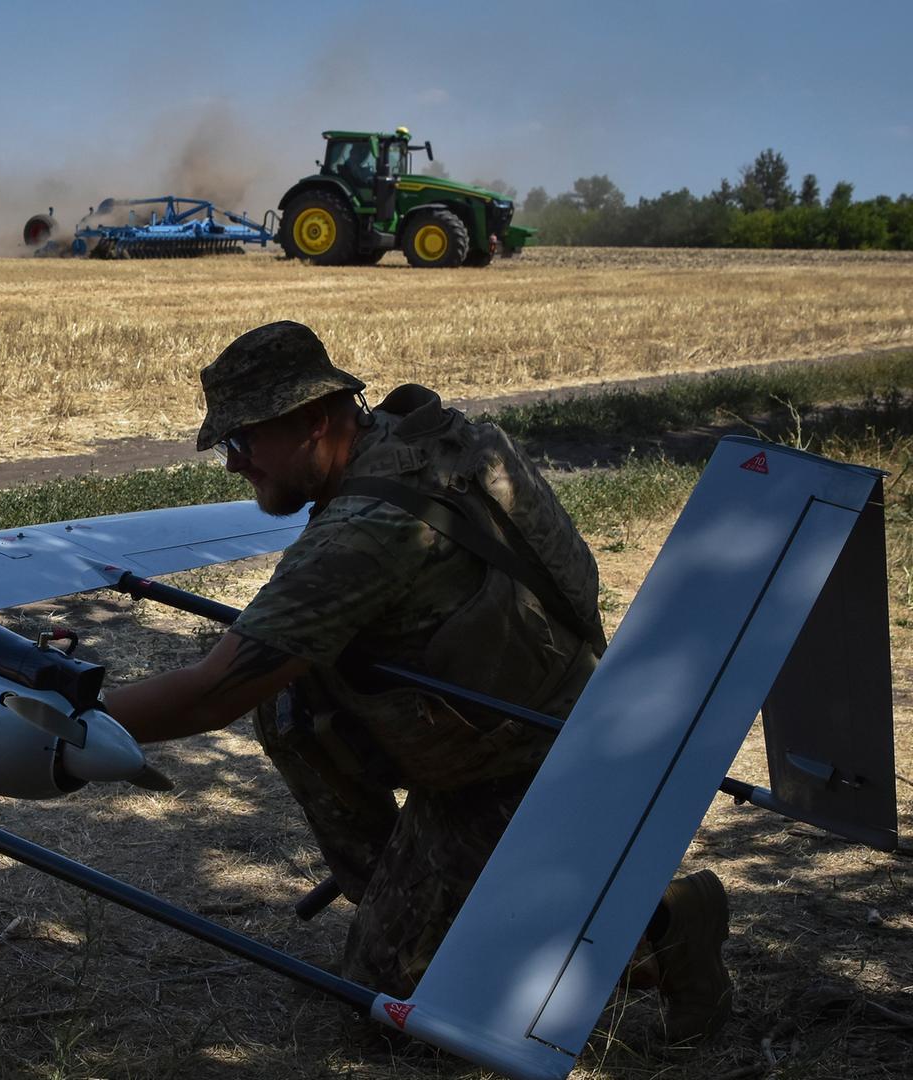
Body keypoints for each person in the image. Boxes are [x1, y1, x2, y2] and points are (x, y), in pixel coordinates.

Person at [103, 321, 733, 1045]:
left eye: (242, 441)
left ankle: (661, 933)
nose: (233, 465)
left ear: (313, 420)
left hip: (523, 768)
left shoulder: (368, 530)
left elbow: (213, 692)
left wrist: (69, 716)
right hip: (541, 714)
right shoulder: (428, 437)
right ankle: (421, 896)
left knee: (398, 1018)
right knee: (292, 701)